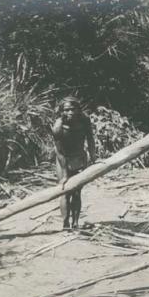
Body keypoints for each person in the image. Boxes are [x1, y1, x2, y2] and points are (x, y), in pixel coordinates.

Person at [52, 96, 96, 230]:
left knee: (77, 192)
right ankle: (65, 224)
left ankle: (75, 222)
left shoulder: (84, 121)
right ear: (62, 111)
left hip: (79, 158)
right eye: (67, 110)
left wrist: (92, 157)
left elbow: (90, 139)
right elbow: (59, 152)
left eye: (73, 109)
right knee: (64, 191)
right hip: (63, 159)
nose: (70, 112)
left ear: (78, 110)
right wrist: (65, 174)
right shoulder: (58, 127)